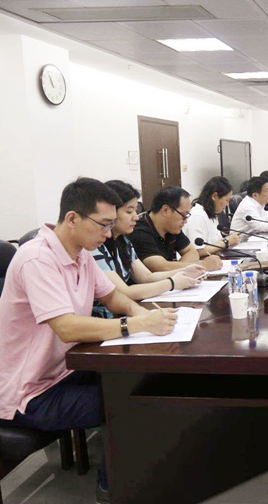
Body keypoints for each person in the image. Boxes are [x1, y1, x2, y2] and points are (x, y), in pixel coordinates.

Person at [0, 178, 178, 504]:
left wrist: (144, 316)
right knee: (127, 401)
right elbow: (67, 327)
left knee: (140, 380)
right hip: (31, 391)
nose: (108, 234)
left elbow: (112, 297)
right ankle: (114, 490)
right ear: (72, 218)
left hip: (64, 369)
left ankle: (139, 472)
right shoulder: (37, 259)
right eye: (103, 225)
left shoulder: (81, 252)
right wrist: (135, 325)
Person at [91, 180, 206, 318]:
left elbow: (146, 277)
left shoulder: (123, 241)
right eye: (129, 211)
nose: (135, 217)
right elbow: (123, 292)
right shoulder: (94, 245)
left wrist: (184, 271)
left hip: (124, 314)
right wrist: (172, 283)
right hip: (105, 319)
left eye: (135, 210)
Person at [130, 186, 223, 272]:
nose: (185, 221)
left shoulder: (171, 227)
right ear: (165, 210)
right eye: (183, 215)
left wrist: (177, 268)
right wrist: (202, 265)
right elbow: (160, 267)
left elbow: (192, 252)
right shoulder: (140, 232)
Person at [184, 176, 241, 256]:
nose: (227, 204)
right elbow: (197, 251)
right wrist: (226, 242)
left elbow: (214, 243)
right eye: (226, 200)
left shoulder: (211, 213)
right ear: (214, 196)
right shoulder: (198, 216)